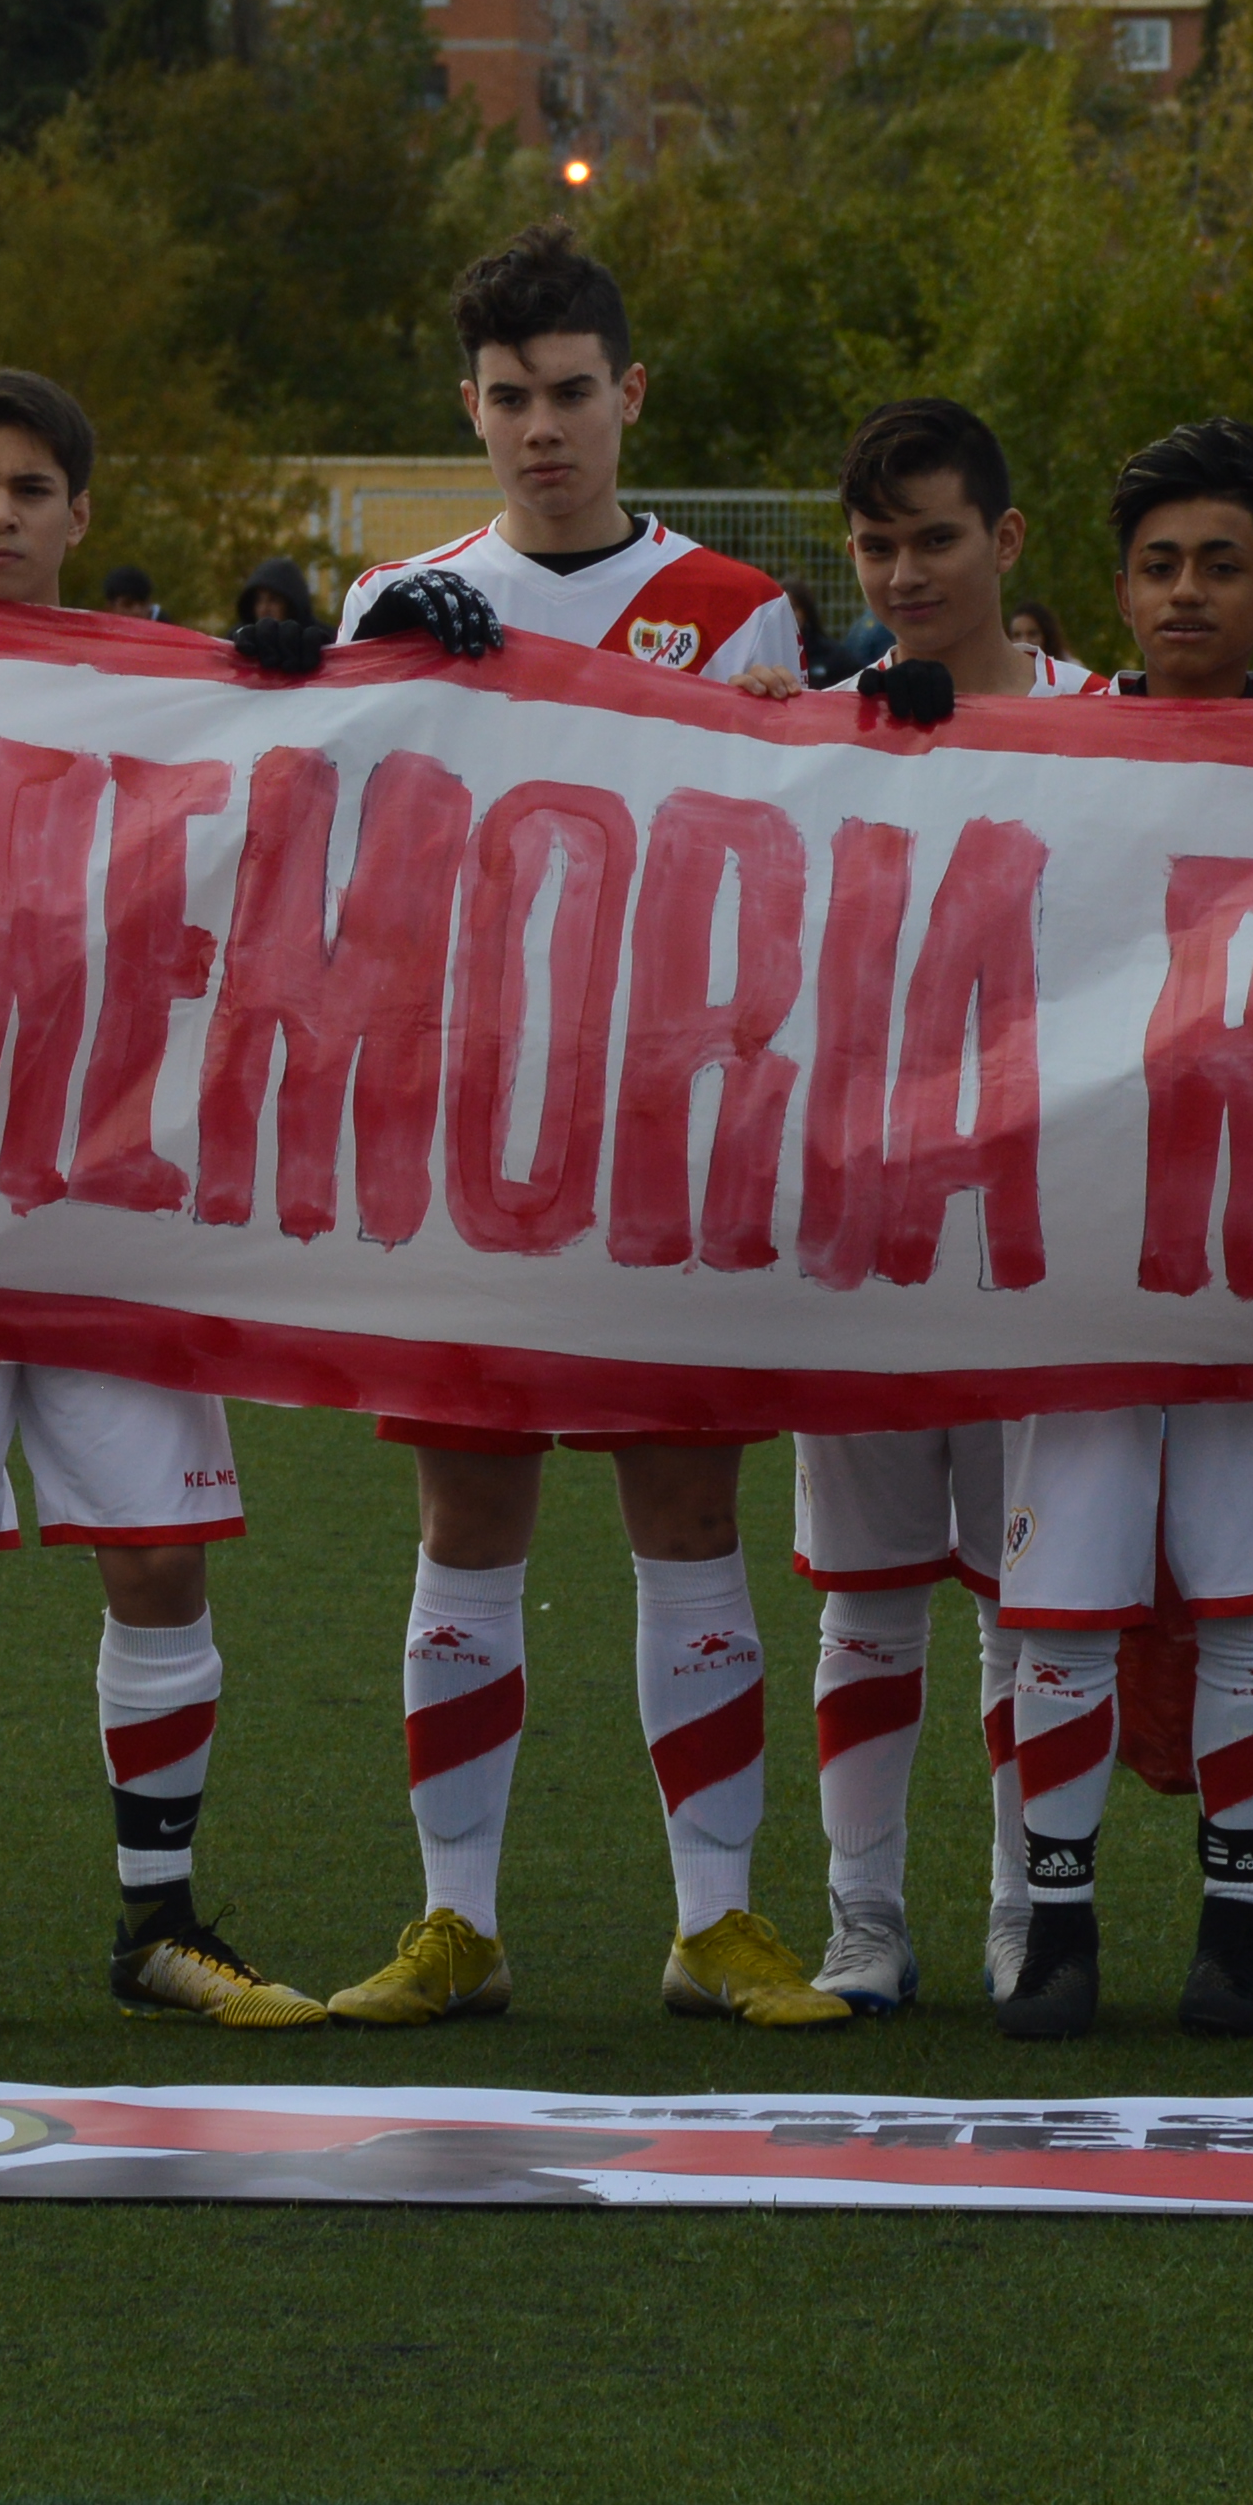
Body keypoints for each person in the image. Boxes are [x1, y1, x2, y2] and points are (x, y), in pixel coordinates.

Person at [316, 228, 852, 2034]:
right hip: (472, 1128)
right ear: (465, 409)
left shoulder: (738, 607)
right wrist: (379, 685)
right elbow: (345, 869)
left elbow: (783, 869)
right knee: (467, 1521)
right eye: (507, 398)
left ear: (630, 397)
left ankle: (716, 1920)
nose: (541, 427)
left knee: (685, 1514)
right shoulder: (396, 602)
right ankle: (453, 1919)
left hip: (663, 1133)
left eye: (571, 394)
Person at [0, 365, 319, 2035]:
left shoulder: (166, 692)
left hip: (119, 1193)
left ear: (77, 516)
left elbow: (321, 789)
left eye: (25, 490)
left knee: (159, 1565)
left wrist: (324, 676)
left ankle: (158, 1926)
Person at [988, 417, 1253, 2039]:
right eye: (1158, 565)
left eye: (1221, 565)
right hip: (1081, 1237)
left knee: (1245, 1598)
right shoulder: (1045, 746)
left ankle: (1234, 1932)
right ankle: (1062, 1935)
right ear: (1117, 585)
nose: (1186, 592)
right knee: (1064, 1600)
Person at [782, 399, 1091, 2017]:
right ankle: (859, 1922)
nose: (905, 572)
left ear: (1008, 543)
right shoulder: (813, 730)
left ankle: (1018, 1911)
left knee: (1026, 1602)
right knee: (869, 1597)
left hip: (1055, 1235)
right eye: (876, 545)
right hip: (869, 1235)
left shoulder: (1117, 723)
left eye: (937, 539)